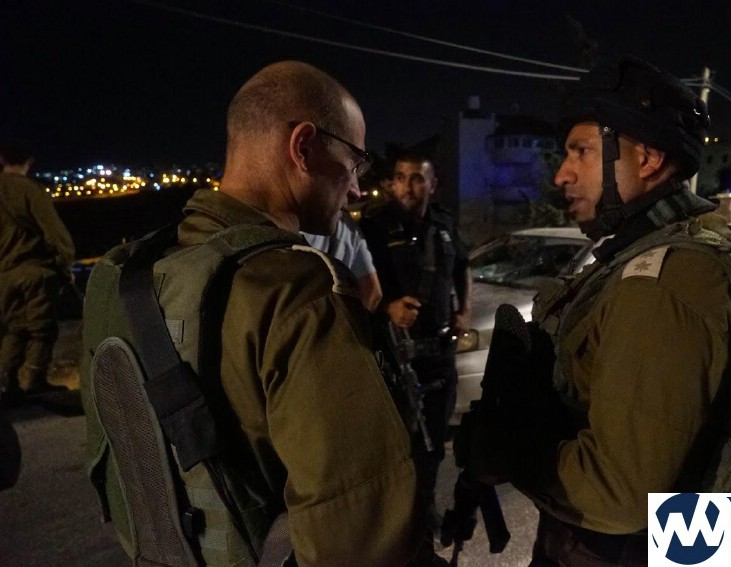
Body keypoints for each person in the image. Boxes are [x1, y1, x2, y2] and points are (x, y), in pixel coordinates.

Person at [82, 61, 419, 565]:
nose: (355, 189)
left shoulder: (121, 275)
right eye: (355, 161)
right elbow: (359, 537)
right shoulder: (296, 287)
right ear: (303, 147)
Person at [468, 55, 731, 565]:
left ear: (647, 159)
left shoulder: (664, 278)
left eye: (582, 151)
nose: (562, 174)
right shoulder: (647, 255)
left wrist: (509, 456)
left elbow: (620, 494)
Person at [360, 151, 472, 566]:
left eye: (417, 179)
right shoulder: (374, 227)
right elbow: (355, 285)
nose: (408, 186)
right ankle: (399, 530)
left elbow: (463, 267)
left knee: (433, 448)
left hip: (439, 355)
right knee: (398, 452)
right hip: (396, 358)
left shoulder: (444, 224)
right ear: (391, 183)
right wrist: (387, 307)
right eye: (401, 177)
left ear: (432, 185)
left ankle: (422, 519)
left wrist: (463, 311)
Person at [0, 142, 75, 408]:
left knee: (15, 329)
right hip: (35, 272)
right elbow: (55, 234)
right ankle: (33, 382)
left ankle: (6, 385)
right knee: (42, 330)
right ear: (29, 160)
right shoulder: (30, 191)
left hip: (5, 275)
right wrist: (65, 265)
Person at [302, 209, 383, 311]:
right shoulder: (346, 222)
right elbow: (371, 293)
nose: (346, 203)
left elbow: (372, 292)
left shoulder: (345, 222)